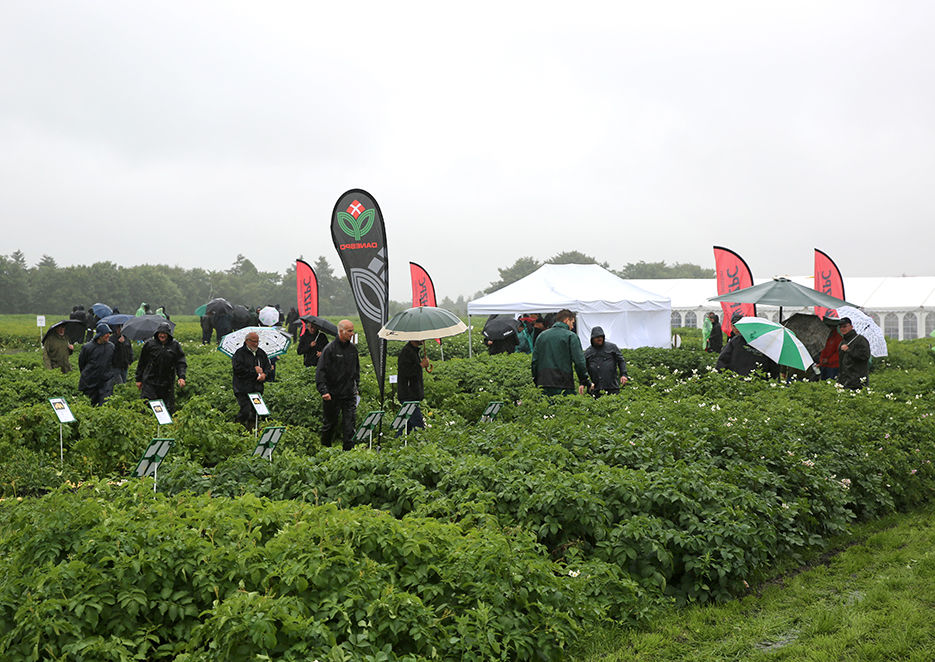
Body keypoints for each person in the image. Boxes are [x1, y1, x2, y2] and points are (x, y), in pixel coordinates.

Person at [315, 319, 360, 450]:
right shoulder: (330, 349)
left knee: (349, 423)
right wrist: (324, 391)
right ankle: (325, 449)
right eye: (349, 331)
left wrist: (356, 386)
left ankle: (348, 451)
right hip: (332, 393)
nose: (352, 334)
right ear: (341, 331)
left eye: (353, 331)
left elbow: (356, 370)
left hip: (348, 393)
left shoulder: (352, 349)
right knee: (330, 423)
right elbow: (321, 371)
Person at [531, 309, 591, 396]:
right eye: (572, 323)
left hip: (543, 382)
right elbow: (579, 362)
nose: (572, 327)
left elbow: (535, 361)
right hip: (564, 382)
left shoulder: (542, 336)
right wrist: (584, 380)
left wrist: (536, 380)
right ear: (566, 320)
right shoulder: (571, 336)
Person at [135, 322, 187, 413]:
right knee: (148, 404)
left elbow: (180, 362)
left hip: (167, 381)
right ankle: (146, 423)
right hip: (150, 380)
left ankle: (164, 425)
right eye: (160, 333)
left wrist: (181, 377)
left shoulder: (174, 345)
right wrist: (138, 379)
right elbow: (142, 362)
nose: (162, 335)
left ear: (168, 334)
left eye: (164, 333)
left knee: (166, 407)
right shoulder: (150, 344)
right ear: (157, 333)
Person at [231, 331, 271, 429]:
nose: (256, 344)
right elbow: (238, 370)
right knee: (245, 409)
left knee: (255, 411)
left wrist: (264, 374)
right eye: (253, 341)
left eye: (257, 341)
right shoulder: (239, 353)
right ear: (247, 341)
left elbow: (267, 366)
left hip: (256, 387)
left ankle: (251, 429)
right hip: (242, 388)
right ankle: (237, 426)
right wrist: (254, 371)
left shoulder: (261, 353)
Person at [716, 311, 775, 377]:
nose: (737, 328)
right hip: (749, 381)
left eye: (739, 326)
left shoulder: (737, 341)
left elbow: (722, 360)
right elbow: (723, 361)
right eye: (734, 326)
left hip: (744, 380)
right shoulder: (735, 341)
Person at [396, 340, 431, 435]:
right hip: (408, 395)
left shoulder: (413, 351)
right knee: (418, 425)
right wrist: (421, 366)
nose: (424, 339)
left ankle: (396, 444)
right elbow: (406, 373)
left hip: (413, 395)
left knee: (407, 425)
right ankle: (420, 445)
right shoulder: (406, 352)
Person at [584, 326, 628, 396]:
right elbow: (583, 369)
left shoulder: (612, 347)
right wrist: (586, 383)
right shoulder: (588, 352)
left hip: (612, 387)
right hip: (596, 388)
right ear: (592, 339)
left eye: (601, 337)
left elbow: (621, 361)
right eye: (597, 337)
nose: (599, 339)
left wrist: (623, 374)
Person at [78, 323, 115, 406]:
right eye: (106, 333)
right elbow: (82, 363)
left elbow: (113, 362)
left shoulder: (111, 347)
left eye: (109, 333)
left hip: (106, 381)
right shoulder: (87, 347)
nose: (108, 336)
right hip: (90, 381)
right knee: (90, 404)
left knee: (104, 404)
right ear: (100, 335)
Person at [837, 317, 871, 390]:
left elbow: (865, 356)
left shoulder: (860, 340)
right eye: (840, 327)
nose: (842, 329)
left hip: (858, 381)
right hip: (844, 381)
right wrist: (840, 379)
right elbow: (841, 363)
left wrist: (849, 350)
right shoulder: (842, 342)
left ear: (851, 327)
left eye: (845, 326)